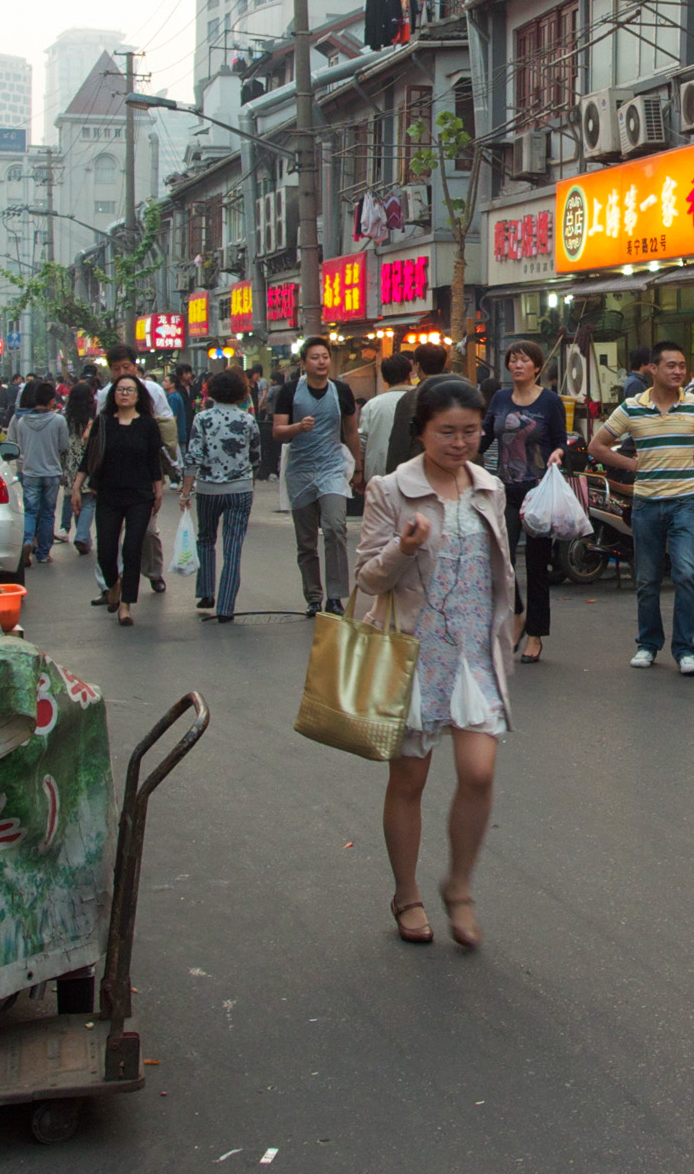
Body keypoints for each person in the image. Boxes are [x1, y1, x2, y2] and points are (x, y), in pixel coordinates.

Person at [354, 378, 517, 950]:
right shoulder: (391, 489)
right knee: (410, 780)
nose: (459, 442)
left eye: (470, 431)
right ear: (420, 430)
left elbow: (498, 571)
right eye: (446, 431)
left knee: (479, 772)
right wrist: (402, 546)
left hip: (475, 652)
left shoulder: (489, 486)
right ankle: (408, 893)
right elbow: (367, 577)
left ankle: (460, 886)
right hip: (414, 650)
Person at [592, 340, 694, 674]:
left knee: (686, 573)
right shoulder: (631, 407)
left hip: (684, 503)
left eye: (682, 366)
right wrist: (631, 465)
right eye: (671, 365)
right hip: (645, 505)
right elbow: (597, 446)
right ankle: (648, 644)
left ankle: (685, 649)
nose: (678, 371)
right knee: (647, 579)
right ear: (653, 369)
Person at [485, 341, 566, 661]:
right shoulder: (500, 398)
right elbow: (484, 435)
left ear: (537, 367)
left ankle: (535, 634)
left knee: (536, 566)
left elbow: (561, 441)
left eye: (524, 360)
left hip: (536, 491)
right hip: (503, 490)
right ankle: (517, 613)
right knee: (500, 559)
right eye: (513, 360)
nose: (517, 365)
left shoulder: (549, 401)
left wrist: (559, 453)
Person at [271, 336, 363, 615]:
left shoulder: (342, 391)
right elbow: (277, 431)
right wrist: (298, 427)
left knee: (336, 528)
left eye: (325, 356)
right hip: (300, 470)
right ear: (303, 363)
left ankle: (335, 596)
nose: (322, 362)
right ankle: (313, 596)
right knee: (306, 539)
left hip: (332, 468)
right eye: (315, 357)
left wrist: (358, 468)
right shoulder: (289, 392)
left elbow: (350, 431)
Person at [75, 373, 166, 624]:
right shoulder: (103, 422)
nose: (124, 393)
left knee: (133, 549)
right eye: (120, 390)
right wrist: (76, 487)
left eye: (130, 390)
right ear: (113, 395)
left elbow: (153, 461)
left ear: (138, 396)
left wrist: (158, 491)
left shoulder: (148, 425)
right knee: (105, 550)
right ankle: (113, 584)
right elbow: (88, 458)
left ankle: (126, 605)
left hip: (139, 496)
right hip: (107, 494)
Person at [179, 367, 259, 623]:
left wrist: (185, 491)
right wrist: (249, 479)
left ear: (211, 392)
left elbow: (193, 456)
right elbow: (256, 456)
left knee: (205, 538)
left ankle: (205, 591)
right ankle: (226, 607)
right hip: (240, 489)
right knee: (233, 547)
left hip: (208, 489)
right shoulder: (248, 420)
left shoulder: (202, 419)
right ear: (240, 393)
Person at [105, 346, 176, 592]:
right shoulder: (105, 395)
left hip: (145, 472)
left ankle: (154, 572)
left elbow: (168, 427)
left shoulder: (153, 391)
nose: (122, 372)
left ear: (136, 367)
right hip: (111, 476)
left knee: (146, 530)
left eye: (127, 367)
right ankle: (110, 584)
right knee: (108, 537)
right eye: (117, 369)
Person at [8, 381, 71, 571]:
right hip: (51, 472)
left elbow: (19, 446)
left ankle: (27, 540)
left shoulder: (22, 421)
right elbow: (63, 446)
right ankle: (43, 553)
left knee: (30, 510)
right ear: (52, 400)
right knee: (47, 513)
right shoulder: (59, 420)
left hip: (29, 472)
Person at [385, 342, 451, 474]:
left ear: (417, 365)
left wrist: (393, 475)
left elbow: (399, 443)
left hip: (419, 470)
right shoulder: (457, 395)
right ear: (443, 365)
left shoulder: (409, 399)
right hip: (451, 468)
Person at [60, 372, 100, 554]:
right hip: (87, 466)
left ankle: (84, 537)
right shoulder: (93, 421)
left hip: (70, 466)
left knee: (76, 501)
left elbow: (61, 446)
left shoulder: (65, 420)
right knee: (89, 501)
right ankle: (83, 536)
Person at [360, 352, 416, 483]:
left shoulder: (372, 406)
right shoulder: (420, 400)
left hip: (379, 476)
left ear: (384, 378)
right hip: (414, 474)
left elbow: (362, 442)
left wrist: (359, 472)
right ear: (409, 374)